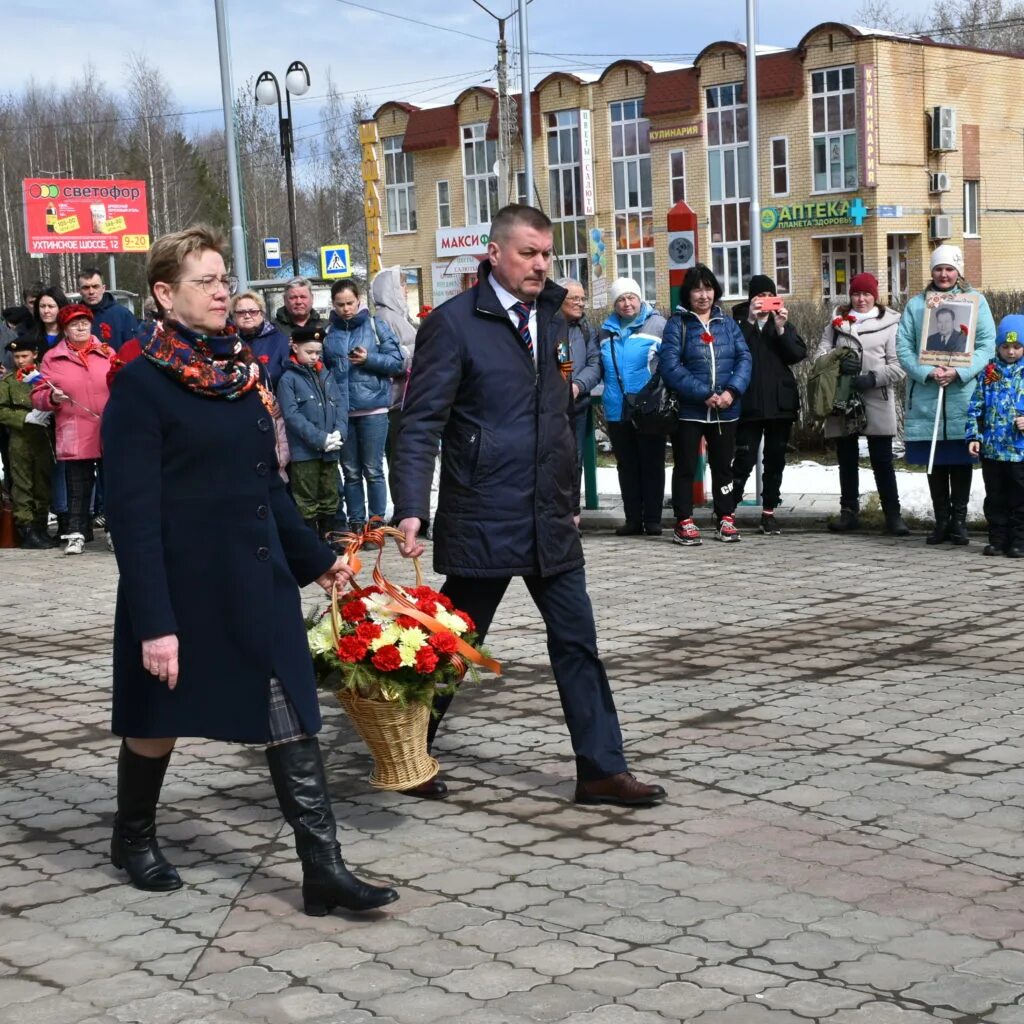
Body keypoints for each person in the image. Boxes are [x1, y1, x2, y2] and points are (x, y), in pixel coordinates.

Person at [100, 224, 397, 915]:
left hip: (255, 580)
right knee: (156, 719)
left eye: (223, 279)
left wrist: (317, 559)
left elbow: (267, 487)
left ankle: (322, 868)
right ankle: (133, 835)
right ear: (164, 294)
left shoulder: (239, 377)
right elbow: (133, 519)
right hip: (180, 586)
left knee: (290, 712)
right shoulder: (140, 388)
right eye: (204, 281)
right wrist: (154, 625)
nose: (220, 291)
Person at [391, 203, 665, 808]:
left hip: (549, 517)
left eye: (547, 254)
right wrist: (411, 505)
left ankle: (600, 769)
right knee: (453, 648)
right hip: (485, 512)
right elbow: (419, 424)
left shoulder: (554, 320)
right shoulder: (454, 324)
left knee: (578, 642)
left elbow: (559, 412)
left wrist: (567, 496)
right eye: (528, 253)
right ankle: (406, 755)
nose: (541, 265)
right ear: (494, 254)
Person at [897, 245, 996, 545]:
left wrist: (960, 372)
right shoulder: (917, 306)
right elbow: (903, 347)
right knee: (935, 460)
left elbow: (986, 344)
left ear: (958, 271)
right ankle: (941, 520)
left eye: (949, 269)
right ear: (932, 271)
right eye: (939, 269)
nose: (944, 274)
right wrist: (927, 372)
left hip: (962, 394)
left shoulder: (975, 302)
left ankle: (959, 521)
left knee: (960, 459)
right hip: (928, 395)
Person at [659, 263, 751, 545]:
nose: (703, 295)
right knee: (686, 466)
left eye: (708, 288)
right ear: (687, 294)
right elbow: (670, 366)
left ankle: (726, 517)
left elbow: (744, 359)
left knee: (724, 465)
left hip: (726, 411)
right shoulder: (677, 324)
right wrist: (703, 393)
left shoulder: (728, 324)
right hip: (690, 411)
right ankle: (683, 520)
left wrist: (732, 392)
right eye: (697, 289)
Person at [813, 272, 909, 536]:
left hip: (876, 396)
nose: (861, 299)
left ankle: (893, 514)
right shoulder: (836, 324)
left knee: (881, 460)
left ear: (875, 296)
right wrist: (837, 360)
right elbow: (819, 356)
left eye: (866, 294)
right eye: (856, 294)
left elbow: (899, 364)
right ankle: (848, 512)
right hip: (843, 399)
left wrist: (873, 378)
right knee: (846, 458)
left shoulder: (890, 324)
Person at [31, 304, 115, 555]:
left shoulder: (107, 352)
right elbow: (37, 395)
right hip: (75, 427)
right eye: (74, 324)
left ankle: (114, 530)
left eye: (85, 323)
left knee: (113, 483)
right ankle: (77, 533)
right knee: (78, 485)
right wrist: (53, 399)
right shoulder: (52, 358)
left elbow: (123, 381)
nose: (80, 327)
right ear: (65, 329)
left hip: (109, 427)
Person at [323, 280, 404, 532]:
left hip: (373, 409)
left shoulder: (375, 326)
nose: (346, 309)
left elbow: (397, 363)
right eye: (340, 304)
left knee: (373, 469)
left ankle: (376, 522)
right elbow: (323, 369)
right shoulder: (328, 333)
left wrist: (370, 359)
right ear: (333, 305)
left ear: (359, 300)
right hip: (342, 411)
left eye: (350, 303)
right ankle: (356, 521)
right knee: (350, 470)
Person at [729, 274, 806, 535]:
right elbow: (732, 352)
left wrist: (782, 328)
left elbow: (797, 354)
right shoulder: (737, 322)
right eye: (758, 297)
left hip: (779, 405)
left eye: (768, 296)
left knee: (775, 460)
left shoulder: (781, 322)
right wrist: (750, 321)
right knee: (744, 458)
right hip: (748, 403)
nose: (763, 302)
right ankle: (727, 510)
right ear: (751, 299)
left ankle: (769, 512)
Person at [598, 277, 668, 536]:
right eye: (620, 299)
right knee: (626, 466)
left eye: (631, 297)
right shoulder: (605, 331)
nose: (626, 304)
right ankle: (632, 520)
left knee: (652, 463)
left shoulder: (658, 324)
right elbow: (599, 366)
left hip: (648, 408)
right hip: (617, 407)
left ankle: (652, 519)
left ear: (640, 298)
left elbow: (668, 363)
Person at [276, 326, 347, 539]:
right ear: (295, 348)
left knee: (330, 496)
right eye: (309, 352)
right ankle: (311, 543)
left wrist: (339, 433)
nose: (314, 356)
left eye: (318, 352)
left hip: (330, 449)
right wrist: (320, 438)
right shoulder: (288, 379)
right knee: (306, 500)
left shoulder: (325, 375)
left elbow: (340, 405)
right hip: (305, 452)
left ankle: (328, 538)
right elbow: (292, 415)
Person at [966, 315, 1024, 557]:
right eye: (1005, 346)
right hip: (992, 449)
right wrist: (974, 436)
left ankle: (1019, 540)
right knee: (995, 497)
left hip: (1019, 451)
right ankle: (998, 539)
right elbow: (976, 406)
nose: (1010, 352)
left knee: (1020, 498)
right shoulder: (991, 372)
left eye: (1017, 347)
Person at [0, 337, 55, 548]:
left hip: (44, 437)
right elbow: (1, 409)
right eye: (16, 357)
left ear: (35, 354)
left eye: (24, 356)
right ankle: (27, 528)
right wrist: (23, 418)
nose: (21, 361)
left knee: (43, 482)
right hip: (20, 437)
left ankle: (41, 526)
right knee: (23, 484)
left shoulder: (45, 377)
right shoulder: (9, 382)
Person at [558, 278, 602, 523]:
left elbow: (595, 364)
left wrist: (578, 385)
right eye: (574, 298)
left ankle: (573, 514)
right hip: (550, 407)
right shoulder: (548, 325)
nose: (580, 303)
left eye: (582, 298)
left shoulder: (585, 328)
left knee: (574, 461)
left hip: (577, 405)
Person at [231, 291, 290, 386]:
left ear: (262, 314)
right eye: (241, 312)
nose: (247, 316)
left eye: (253, 311)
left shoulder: (280, 341)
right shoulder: (229, 341)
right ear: (234, 316)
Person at [77, 267, 139, 351]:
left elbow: (133, 350)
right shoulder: (73, 317)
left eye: (95, 286)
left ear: (103, 288)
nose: (91, 292)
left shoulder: (123, 315)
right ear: (79, 291)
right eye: (86, 288)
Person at [25, 286, 69, 359]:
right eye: (42, 306)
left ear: (61, 307)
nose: (46, 311)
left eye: (51, 306)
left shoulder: (71, 335)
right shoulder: (31, 337)